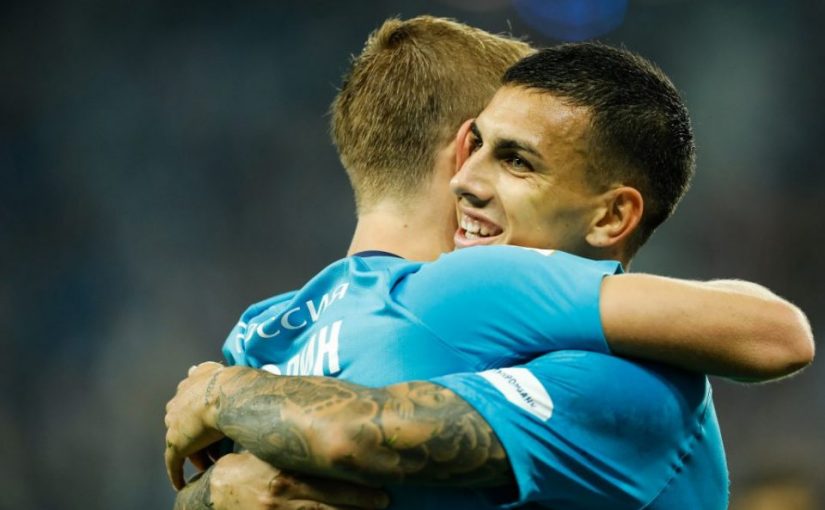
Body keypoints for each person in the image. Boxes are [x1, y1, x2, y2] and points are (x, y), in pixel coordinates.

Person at [165, 18, 814, 510]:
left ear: (612, 215)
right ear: (457, 147)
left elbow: (775, 333)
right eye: (478, 146)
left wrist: (221, 405)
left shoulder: (261, 332)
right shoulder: (468, 296)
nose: (467, 181)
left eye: (516, 159)